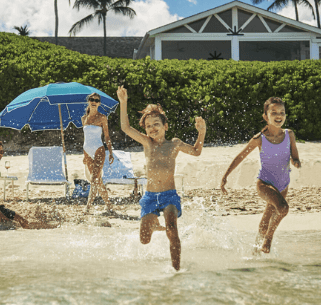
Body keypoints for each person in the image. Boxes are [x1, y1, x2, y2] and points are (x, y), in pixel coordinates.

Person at [117, 86, 206, 271]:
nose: (152, 128)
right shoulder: (147, 143)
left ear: (165, 126)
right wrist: (123, 102)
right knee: (144, 239)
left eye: (156, 124)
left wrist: (202, 132)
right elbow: (125, 127)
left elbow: (196, 152)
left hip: (169, 196)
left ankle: (176, 271)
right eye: (148, 126)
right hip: (150, 197)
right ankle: (156, 225)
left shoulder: (174, 144)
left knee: (172, 230)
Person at [220, 97, 301, 254]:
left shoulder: (289, 134)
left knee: (266, 219)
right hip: (264, 184)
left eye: (282, 112)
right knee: (283, 208)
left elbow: (295, 154)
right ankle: (268, 239)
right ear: (266, 116)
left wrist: (295, 161)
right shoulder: (260, 139)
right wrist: (225, 176)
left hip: (283, 184)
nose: (279, 115)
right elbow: (240, 156)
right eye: (274, 112)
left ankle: (255, 252)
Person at [82, 92, 114, 213]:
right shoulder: (83, 118)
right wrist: (83, 155)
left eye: (96, 100)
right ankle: (109, 205)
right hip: (87, 150)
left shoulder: (102, 117)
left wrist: (110, 152)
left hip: (99, 150)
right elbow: (85, 137)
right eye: (91, 99)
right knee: (97, 180)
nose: (94, 102)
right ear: (88, 101)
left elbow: (107, 136)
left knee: (94, 179)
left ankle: (88, 207)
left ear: (99, 103)